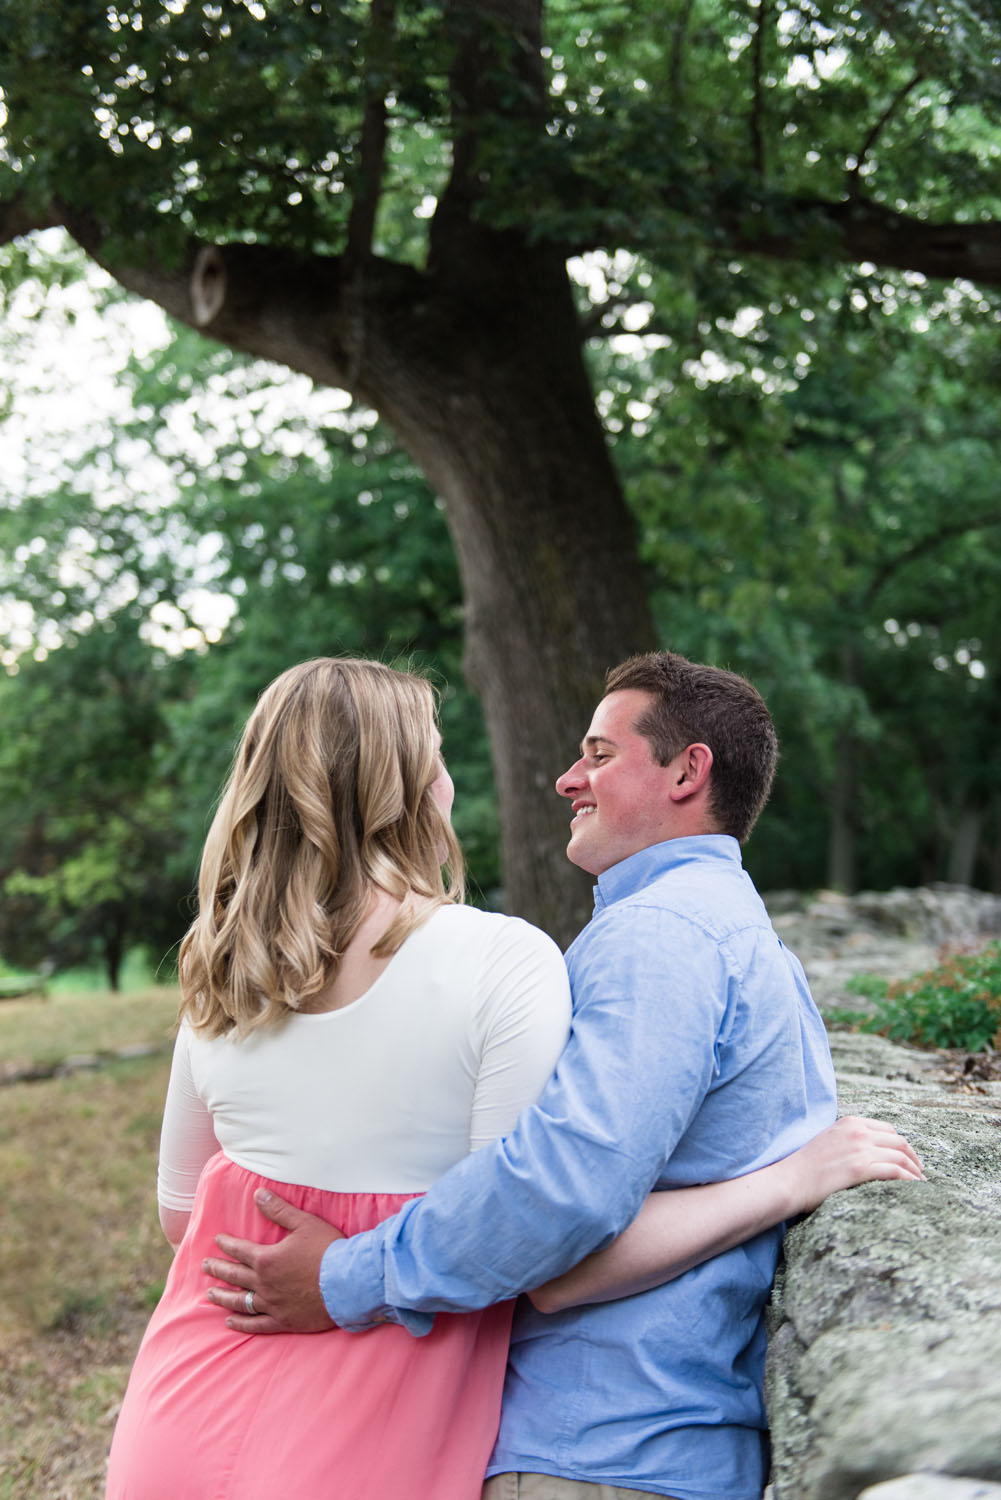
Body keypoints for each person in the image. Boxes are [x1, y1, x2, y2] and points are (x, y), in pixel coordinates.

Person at [203, 650, 922, 1500]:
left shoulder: (661, 936)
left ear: (688, 772)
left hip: (596, 1453)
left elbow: (560, 1203)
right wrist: (788, 1180)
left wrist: (345, 1277)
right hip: (649, 1445)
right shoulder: (728, 930)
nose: (565, 778)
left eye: (600, 754)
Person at [105, 657, 574, 1500]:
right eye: (434, 754)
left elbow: (182, 1215)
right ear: (408, 786)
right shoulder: (505, 961)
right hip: (371, 1428)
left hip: (178, 1415)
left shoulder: (223, 972)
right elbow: (510, 1234)